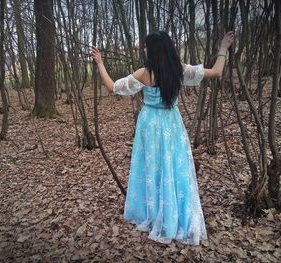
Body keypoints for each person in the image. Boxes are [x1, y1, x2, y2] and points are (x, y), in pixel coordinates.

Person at [91, 31, 234, 245]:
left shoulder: (143, 73)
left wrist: (100, 63)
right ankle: (171, 211)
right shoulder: (178, 70)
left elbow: (112, 88)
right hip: (171, 124)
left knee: (152, 167)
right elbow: (216, 71)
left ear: (153, 50)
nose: (145, 50)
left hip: (150, 124)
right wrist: (223, 49)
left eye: (147, 47)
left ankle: (155, 210)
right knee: (173, 167)